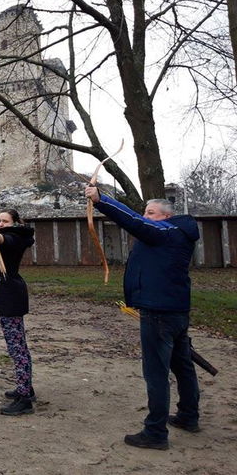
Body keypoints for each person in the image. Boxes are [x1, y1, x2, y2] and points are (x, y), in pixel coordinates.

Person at [85, 187, 200, 450]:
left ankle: (156, 433)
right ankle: (188, 416)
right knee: (182, 365)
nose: (145, 217)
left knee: (157, 373)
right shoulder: (171, 233)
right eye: (145, 212)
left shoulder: (167, 232)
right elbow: (137, 220)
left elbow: (134, 222)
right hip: (174, 311)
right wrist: (103, 199)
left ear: (165, 216)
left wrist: (101, 200)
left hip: (159, 313)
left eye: (150, 213)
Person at [0, 209, 36, 415]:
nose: (0, 223)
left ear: (15, 223)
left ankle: (24, 399)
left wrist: (0, 236)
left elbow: (11, 241)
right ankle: (27, 388)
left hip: (11, 295)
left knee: (17, 347)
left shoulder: (16, 236)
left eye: (5, 221)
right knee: (16, 344)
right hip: (4, 293)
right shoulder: (5, 235)